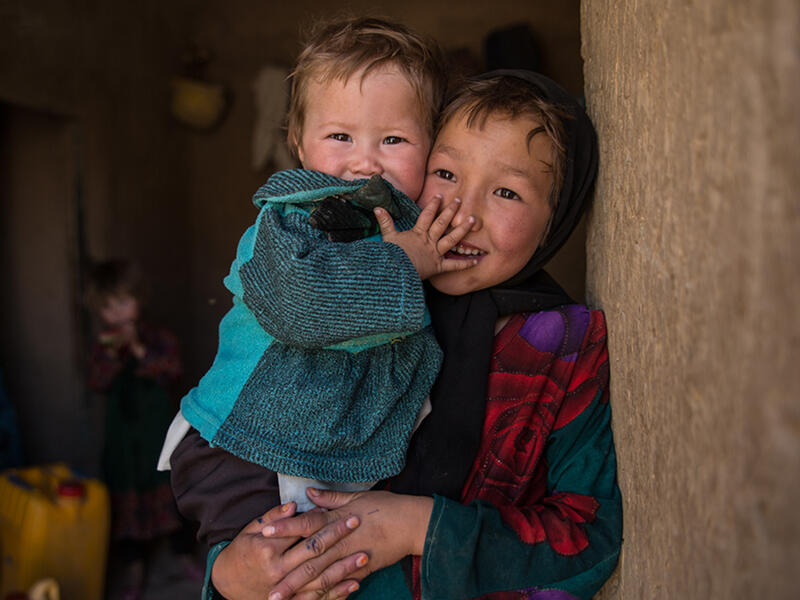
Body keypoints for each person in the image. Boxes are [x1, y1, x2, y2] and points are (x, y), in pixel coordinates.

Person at [201, 71, 623, 600]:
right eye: (445, 173)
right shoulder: (351, 297)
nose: (462, 213)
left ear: (557, 218)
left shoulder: (561, 347)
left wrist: (416, 527)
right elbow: (253, 482)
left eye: (507, 192)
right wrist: (228, 573)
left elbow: (589, 534)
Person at [160, 14, 474, 539]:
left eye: (394, 139)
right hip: (246, 450)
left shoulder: (408, 228)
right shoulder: (292, 221)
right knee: (271, 568)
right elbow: (303, 303)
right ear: (299, 143)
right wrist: (403, 263)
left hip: (322, 462)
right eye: (340, 136)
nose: (366, 162)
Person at [85, 260, 199, 599]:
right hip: (123, 439)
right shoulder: (103, 346)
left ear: (138, 299)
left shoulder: (160, 339)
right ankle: (133, 566)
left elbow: (172, 371)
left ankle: (182, 554)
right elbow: (96, 382)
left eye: (123, 302)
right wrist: (112, 355)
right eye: (108, 307)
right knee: (125, 495)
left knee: (170, 488)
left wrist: (137, 349)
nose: (117, 313)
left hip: (156, 433)